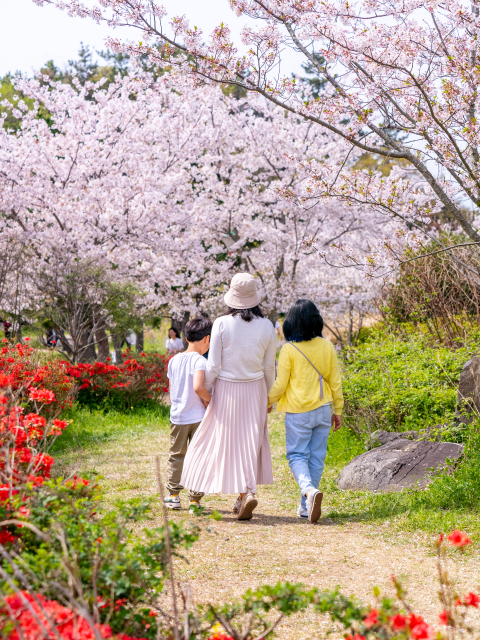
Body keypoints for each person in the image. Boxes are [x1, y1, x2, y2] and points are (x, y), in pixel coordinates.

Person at [181, 273, 276, 521]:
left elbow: (212, 366)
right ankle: (245, 494)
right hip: (255, 388)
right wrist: (268, 396)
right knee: (249, 441)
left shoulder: (222, 323)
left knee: (211, 438)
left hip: (227, 388)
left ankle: (198, 491)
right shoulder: (267, 326)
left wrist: (208, 392)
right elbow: (269, 368)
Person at [267, 299, 343, 524]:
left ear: (292, 323)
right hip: (322, 409)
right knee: (317, 457)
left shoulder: (289, 349)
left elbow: (280, 385)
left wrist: (268, 402)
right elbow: (335, 381)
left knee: (297, 455)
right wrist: (337, 410)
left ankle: (309, 491)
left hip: (298, 412)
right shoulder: (327, 346)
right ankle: (305, 506)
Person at [164, 316, 213, 513]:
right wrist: (209, 399)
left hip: (178, 417)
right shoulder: (200, 361)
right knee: (198, 457)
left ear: (186, 337)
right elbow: (198, 387)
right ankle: (195, 500)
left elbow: (172, 389)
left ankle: (174, 496)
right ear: (207, 339)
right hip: (198, 417)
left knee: (176, 456)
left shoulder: (173, 360)